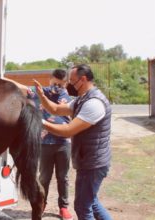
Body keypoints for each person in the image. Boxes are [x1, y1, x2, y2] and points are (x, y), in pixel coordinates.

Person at [34, 64, 112, 220]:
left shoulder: (94, 103)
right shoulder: (81, 99)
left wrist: (39, 122)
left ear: (83, 80)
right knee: (92, 202)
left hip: (94, 164)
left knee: (83, 207)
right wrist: (42, 96)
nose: (68, 84)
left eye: (72, 81)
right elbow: (56, 109)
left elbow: (68, 130)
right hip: (87, 161)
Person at [3, 69, 74, 220]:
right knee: (44, 177)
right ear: (50, 80)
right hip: (44, 143)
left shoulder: (68, 97)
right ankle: (42, 203)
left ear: (66, 84)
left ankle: (63, 207)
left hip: (63, 143)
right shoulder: (39, 92)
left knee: (63, 177)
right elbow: (21, 86)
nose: (56, 87)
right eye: (54, 83)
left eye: (60, 85)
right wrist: (2, 77)